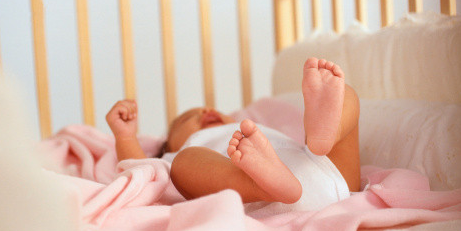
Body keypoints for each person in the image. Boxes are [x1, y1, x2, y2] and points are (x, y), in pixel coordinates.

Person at [106, 58, 360, 210]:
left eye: (212, 109)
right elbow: (141, 167)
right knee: (184, 164)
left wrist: (315, 142)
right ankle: (259, 184)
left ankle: (326, 134)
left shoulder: (251, 131)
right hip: (259, 197)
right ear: (170, 144)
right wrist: (126, 137)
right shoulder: (177, 154)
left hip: (322, 169)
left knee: (346, 97)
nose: (205, 110)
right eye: (188, 118)